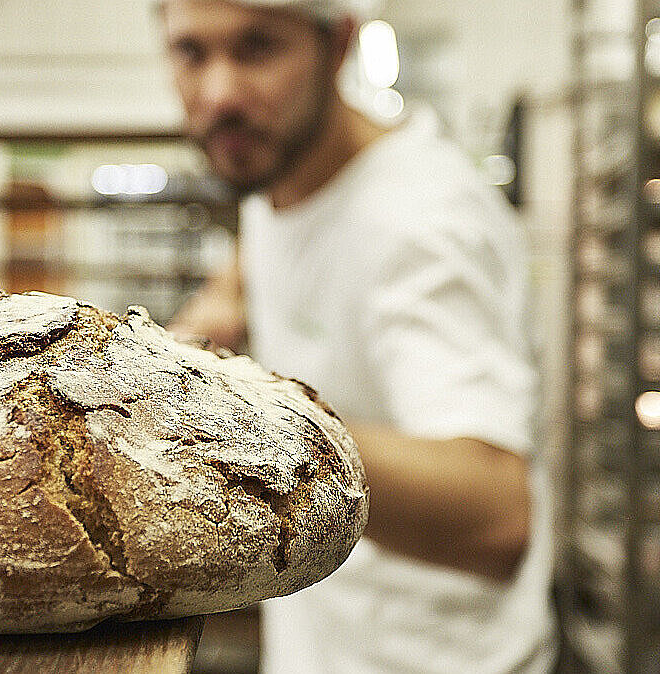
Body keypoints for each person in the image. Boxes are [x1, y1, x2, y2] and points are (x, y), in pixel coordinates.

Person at [154, 1, 557, 672]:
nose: (220, 93)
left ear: (337, 46)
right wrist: (201, 326)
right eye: (192, 52)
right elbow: (268, 260)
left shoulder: (421, 223)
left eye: (257, 47)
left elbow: (495, 516)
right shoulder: (284, 172)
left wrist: (235, 416)